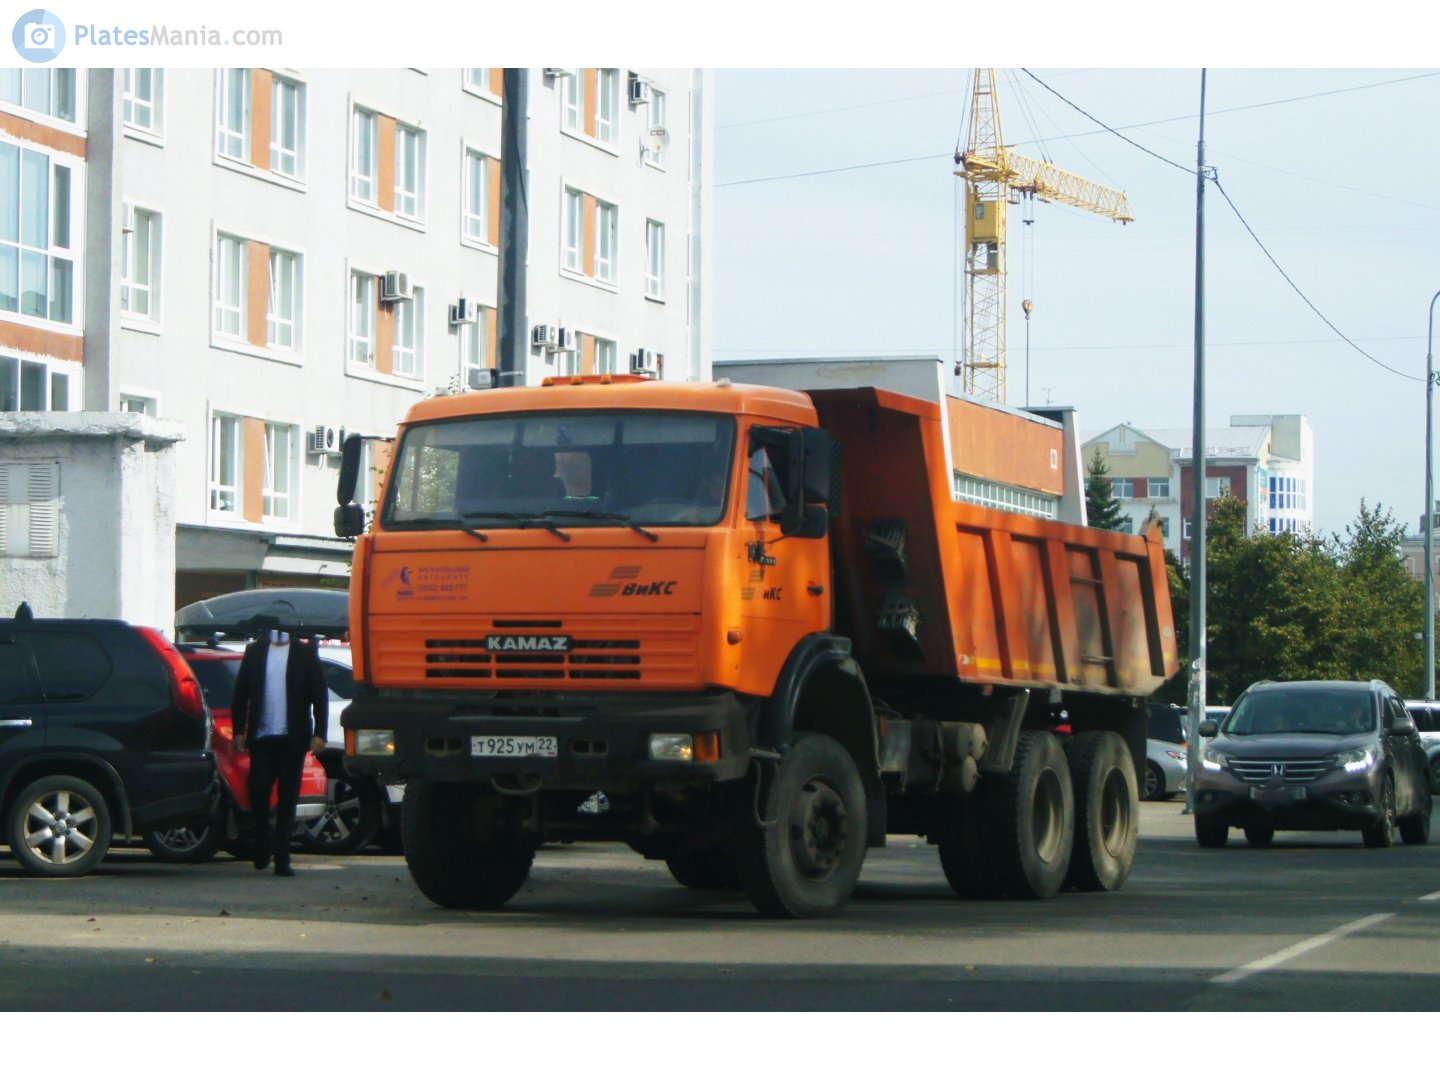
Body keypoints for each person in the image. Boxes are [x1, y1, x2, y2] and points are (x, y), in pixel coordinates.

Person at [231, 628, 328, 877]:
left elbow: (319, 695)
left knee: (288, 798)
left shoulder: (305, 653)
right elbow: (240, 693)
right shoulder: (254, 652)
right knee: (259, 790)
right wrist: (238, 729)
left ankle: (282, 856)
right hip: (262, 736)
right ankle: (263, 839)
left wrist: (320, 733)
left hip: (292, 738)